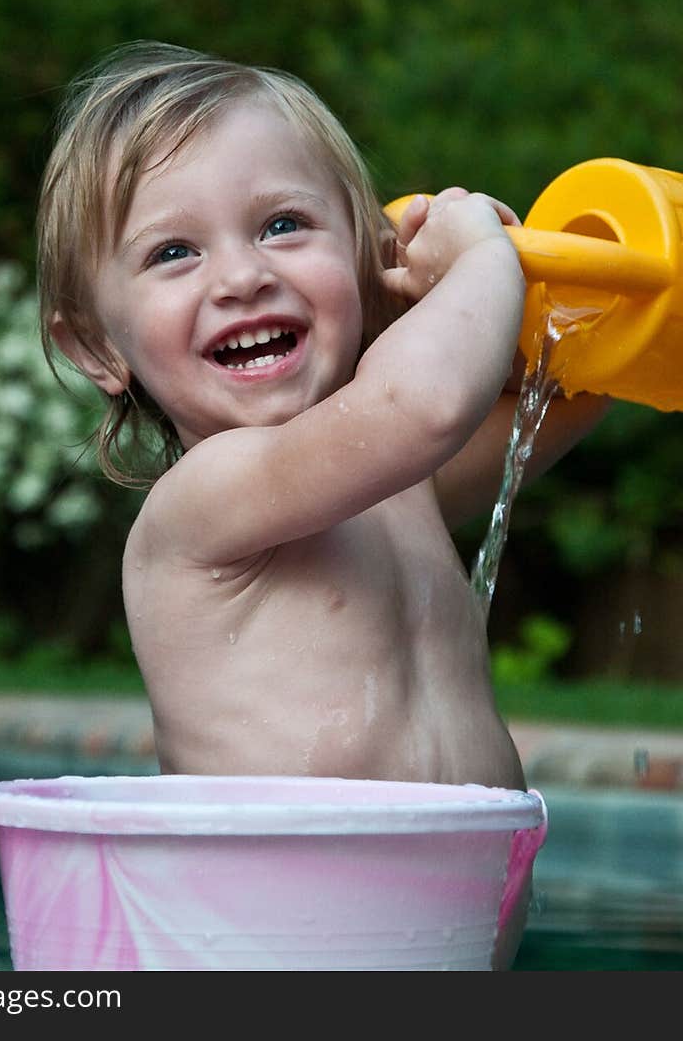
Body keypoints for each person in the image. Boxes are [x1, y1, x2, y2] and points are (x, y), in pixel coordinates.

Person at [37, 41, 607, 792]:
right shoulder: (205, 503)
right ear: (97, 345)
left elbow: (569, 389)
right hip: (271, 906)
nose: (243, 277)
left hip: (463, 901)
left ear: (370, 259)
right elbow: (425, 405)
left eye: (282, 226)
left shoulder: (401, 486)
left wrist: (570, 298)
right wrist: (480, 264)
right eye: (175, 252)